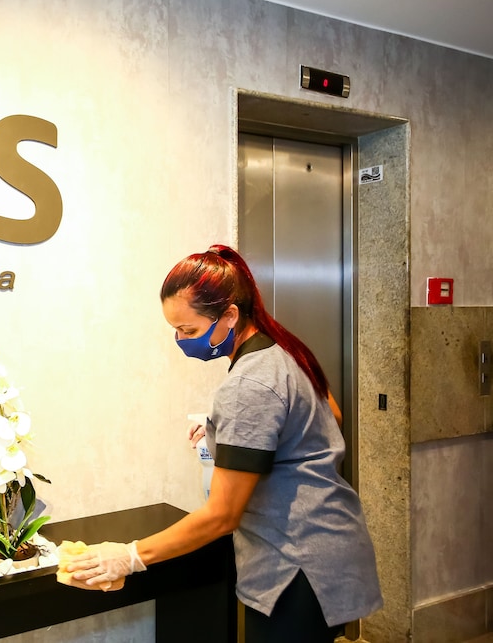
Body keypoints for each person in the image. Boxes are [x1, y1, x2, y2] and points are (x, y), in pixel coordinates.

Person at [64, 244, 383, 643]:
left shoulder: (248, 383)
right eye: (175, 330)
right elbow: (328, 416)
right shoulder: (280, 351)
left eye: (189, 330)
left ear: (230, 315)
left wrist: (130, 556)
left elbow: (222, 516)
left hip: (297, 566)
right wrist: (234, 432)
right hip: (332, 546)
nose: (180, 340)